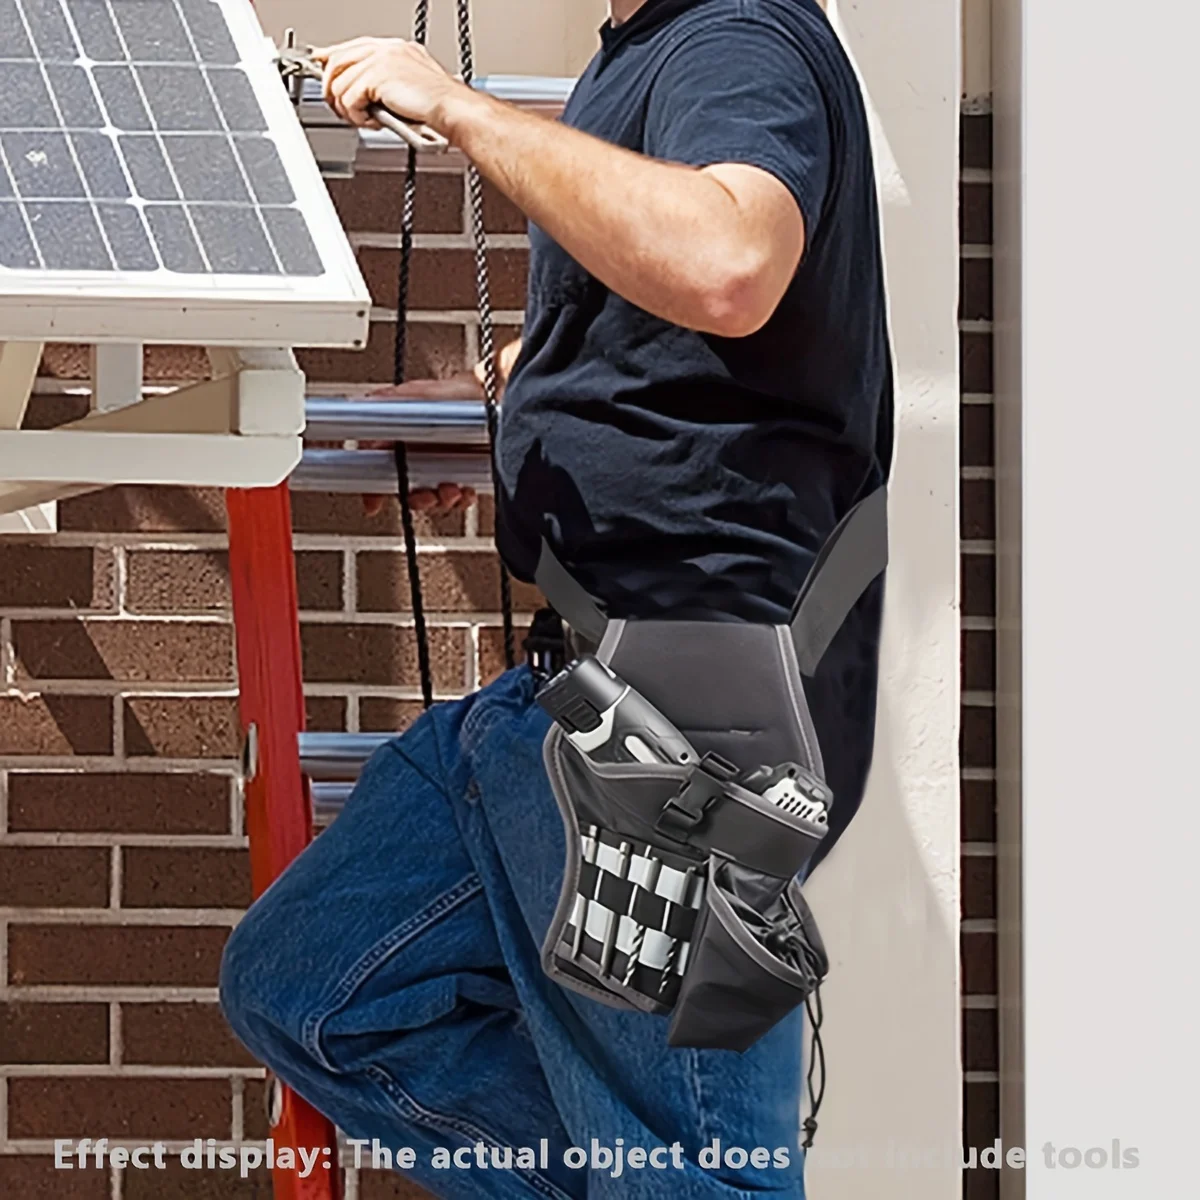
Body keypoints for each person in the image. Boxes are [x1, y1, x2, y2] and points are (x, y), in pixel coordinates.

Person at [219, 1, 893, 1195]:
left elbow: (731, 264)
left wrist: (461, 108)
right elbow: (666, 342)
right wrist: (510, 412)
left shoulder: (737, 35)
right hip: (568, 695)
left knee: (691, 1165)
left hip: (687, 712)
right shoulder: (641, 63)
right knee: (313, 986)